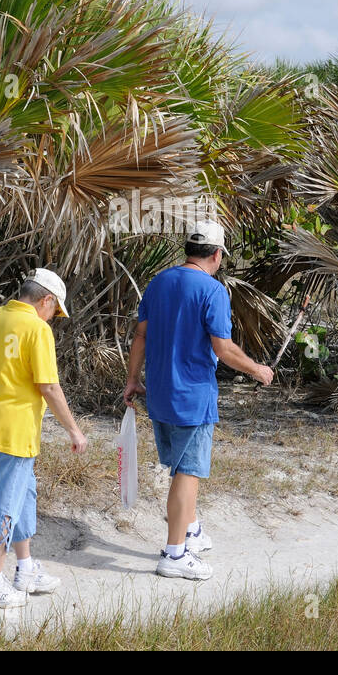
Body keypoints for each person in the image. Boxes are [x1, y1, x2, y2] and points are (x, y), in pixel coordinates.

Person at [123, 221, 274, 580]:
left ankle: (189, 530)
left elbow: (140, 337)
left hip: (158, 393)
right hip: (192, 396)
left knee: (179, 467)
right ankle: (174, 554)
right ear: (217, 255)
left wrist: (132, 379)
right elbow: (223, 349)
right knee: (187, 472)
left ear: (187, 249)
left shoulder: (158, 282)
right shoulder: (213, 291)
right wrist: (257, 369)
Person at [0, 268, 88, 608]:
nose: (53, 318)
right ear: (46, 300)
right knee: (7, 501)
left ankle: (25, 569)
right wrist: (74, 430)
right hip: (16, 431)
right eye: (55, 311)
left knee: (24, 492)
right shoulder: (37, 329)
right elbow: (48, 387)